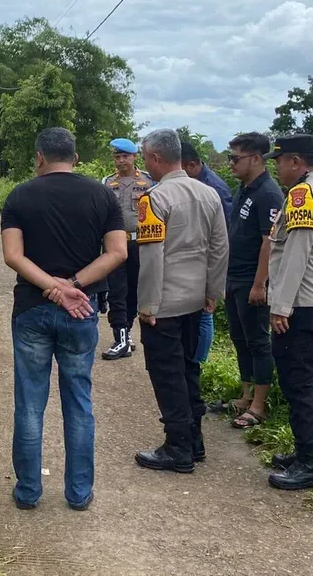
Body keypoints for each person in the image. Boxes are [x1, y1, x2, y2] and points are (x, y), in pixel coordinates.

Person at [0, 127, 128, 511]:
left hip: (31, 310)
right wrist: (72, 286)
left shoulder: (20, 195)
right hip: (82, 308)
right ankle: (78, 492)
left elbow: (13, 256)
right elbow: (118, 251)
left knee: (29, 404)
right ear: (75, 158)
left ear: (40, 157)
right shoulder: (103, 195)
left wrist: (52, 288)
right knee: (79, 402)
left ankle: (27, 492)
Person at [133, 129, 228, 473]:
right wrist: (212, 293)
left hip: (164, 304)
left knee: (167, 375)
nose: (145, 164)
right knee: (189, 371)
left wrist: (147, 306)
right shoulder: (209, 194)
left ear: (157, 158)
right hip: (195, 301)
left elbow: (153, 258)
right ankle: (195, 440)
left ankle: (178, 448)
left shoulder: (154, 199)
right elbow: (219, 248)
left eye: (145, 158)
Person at [263, 133, 313, 491]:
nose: (276, 168)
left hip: (302, 304)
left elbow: (296, 253)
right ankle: (309, 451)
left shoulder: (303, 194)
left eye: (279, 161)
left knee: (301, 385)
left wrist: (281, 306)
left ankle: (310, 463)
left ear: (296, 162)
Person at [217, 132, 285, 429]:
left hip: (250, 280)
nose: (231, 163)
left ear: (256, 159)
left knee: (258, 341)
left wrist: (260, 284)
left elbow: (268, 242)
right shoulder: (245, 188)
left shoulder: (268, 193)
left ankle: (259, 404)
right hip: (234, 276)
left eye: (236, 158)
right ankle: (245, 395)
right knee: (239, 338)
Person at [100, 138, 154, 360]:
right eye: (117, 156)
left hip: (140, 243)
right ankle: (119, 337)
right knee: (117, 290)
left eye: (125, 156)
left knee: (134, 291)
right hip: (114, 244)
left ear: (135, 157)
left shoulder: (149, 183)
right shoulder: (107, 182)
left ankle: (127, 332)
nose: (121, 160)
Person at [180, 140, 234, 365]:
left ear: (191, 165)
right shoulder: (198, 183)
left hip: (208, 261)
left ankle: (198, 362)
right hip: (196, 260)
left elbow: (225, 233)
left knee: (204, 313)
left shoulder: (213, 188)